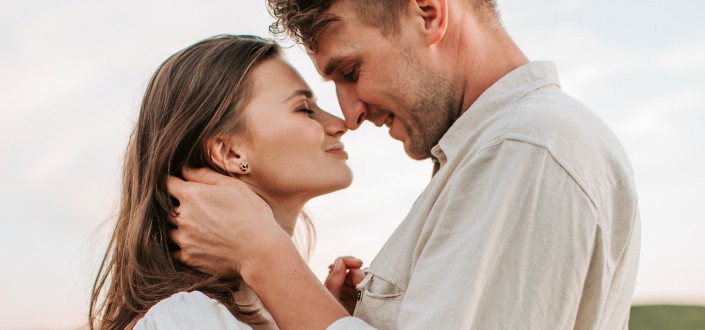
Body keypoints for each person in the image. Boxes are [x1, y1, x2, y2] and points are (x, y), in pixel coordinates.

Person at [167, 0, 641, 329]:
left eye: (350, 72)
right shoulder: (505, 150)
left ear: (429, 14)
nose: (349, 114)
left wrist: (263, 255)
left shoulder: (524, 149)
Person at [89, 34, 364, 330]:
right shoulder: (186, 319)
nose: (340, 124)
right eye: (304, 108)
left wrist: (320, 315)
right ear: (229, 152)